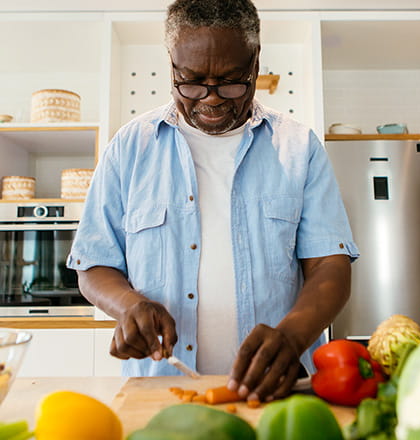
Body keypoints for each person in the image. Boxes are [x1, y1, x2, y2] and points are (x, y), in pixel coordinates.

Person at [67, 0, 359, 402]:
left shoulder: (297, 147)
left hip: (275, 392)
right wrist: (128, 305)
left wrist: (292, 337)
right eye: (191, 82)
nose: (212, 99)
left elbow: (330, 264)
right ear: (171, 66)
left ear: (255, 64)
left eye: (232, 82)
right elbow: (94, 264)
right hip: (158, 388)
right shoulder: (129, 148)